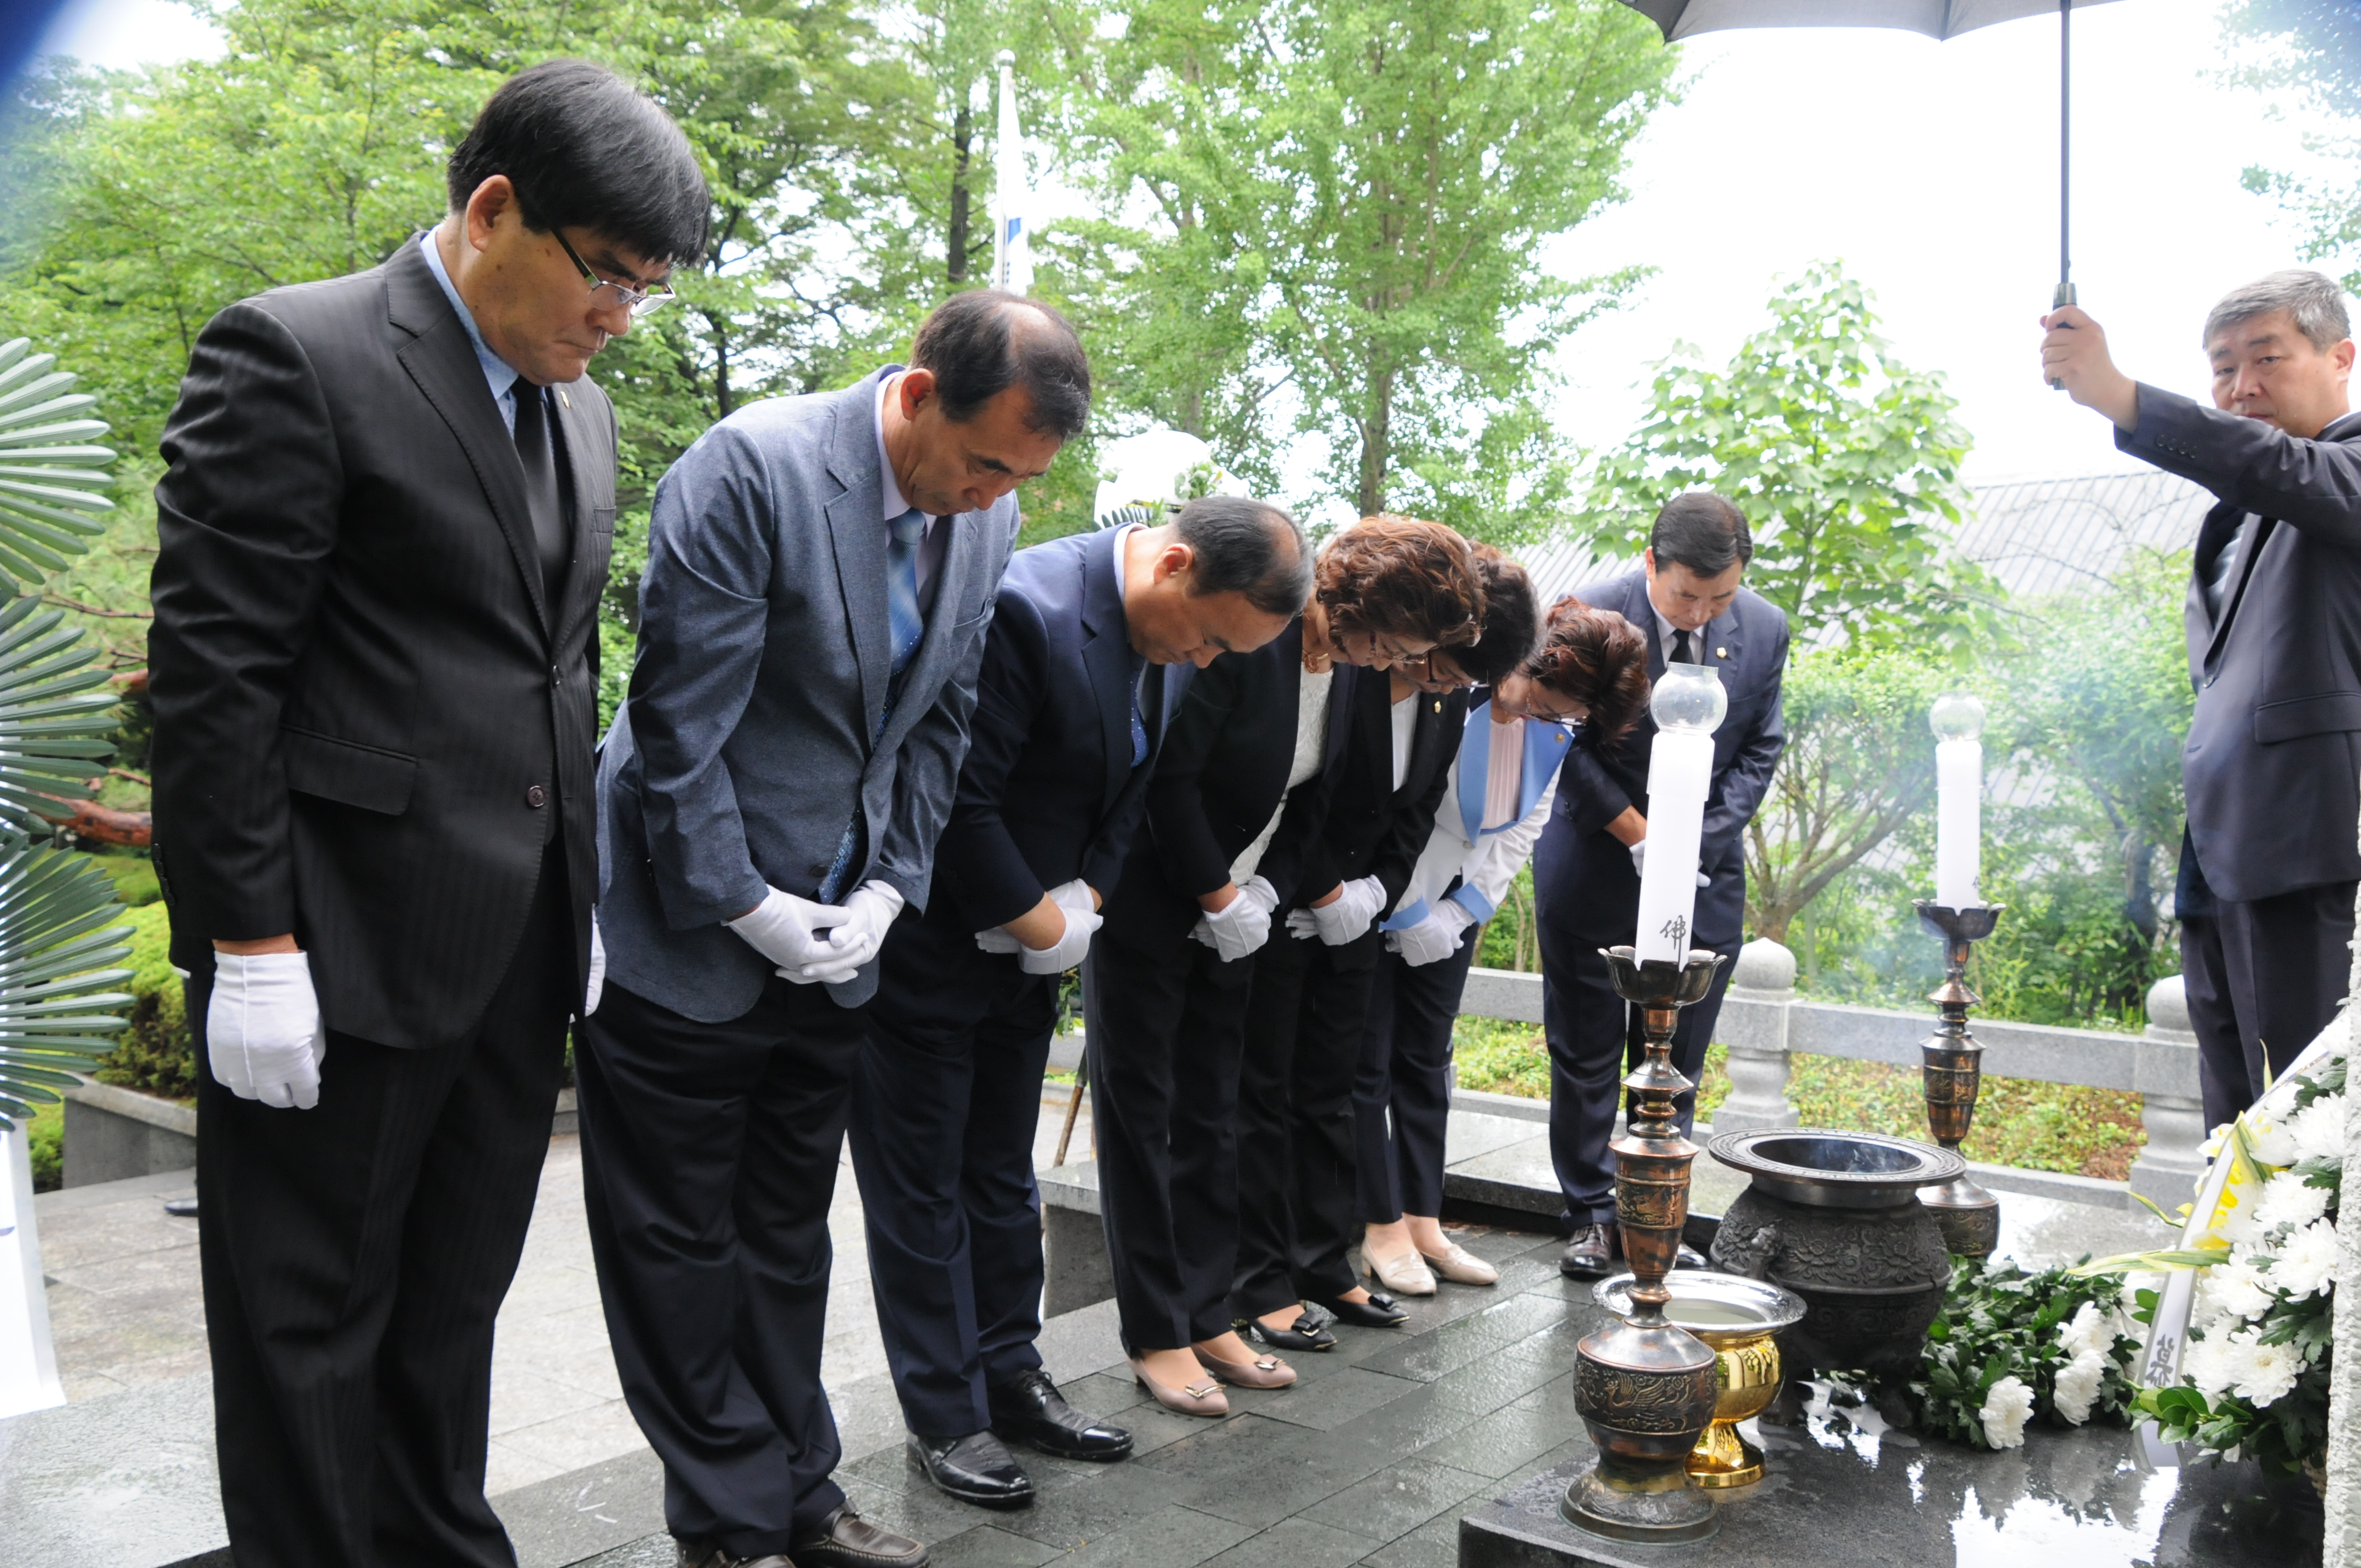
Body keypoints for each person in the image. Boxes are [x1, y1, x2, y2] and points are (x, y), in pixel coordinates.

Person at [146, 61, 705, 1568]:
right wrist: (250, 945)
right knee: (308, 1322)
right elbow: (218, 684)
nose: (618, 319)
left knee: (453, 1307)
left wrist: (578, 899)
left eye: (644, 293)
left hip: (517, 946)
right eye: (605, 277)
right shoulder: (299, 353)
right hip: (338, 942)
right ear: (494, 206)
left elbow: (559, 674)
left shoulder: (577, 415)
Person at [579, 290, 1089, 1568]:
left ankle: (802, 1495)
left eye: (1019, 477)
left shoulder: (990, 513)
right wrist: (747, 903)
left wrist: (886, 890)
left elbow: (940, 720)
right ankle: (732, 1521)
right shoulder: (751, 469)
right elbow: (677, 727)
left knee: (785, 1232)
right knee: (679, 1241)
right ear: (917, 392)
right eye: (981, 462)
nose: (990, 497)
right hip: (689, 921)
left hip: (841, 937)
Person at [851, 494, 1305, 1510]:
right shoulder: (1029, 607)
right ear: (1175, 565)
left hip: (1040, 937)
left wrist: (1089, 896)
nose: (1205, 663)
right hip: (939, 940)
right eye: (1211, 637)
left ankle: (1011, 1373)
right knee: (923, 1186)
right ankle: (943, 1408)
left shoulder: (1176, 642)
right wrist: (1038, 918)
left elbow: (1136, 788)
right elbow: (957, 795)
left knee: (1001, 1174)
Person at [1084, 516, 1484, 1415]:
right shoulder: (1252, 638)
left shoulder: (1343, 667)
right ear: (1346, 597)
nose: (1387, 664)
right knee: (1144, 1121)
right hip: (1157, 902)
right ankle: (1156, 1330)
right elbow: (1171, 776)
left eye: (1402, 653)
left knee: (1214, 1118)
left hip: (1245, 908)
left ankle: (1210, 1308)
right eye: (1384, 641)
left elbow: (1313, 796)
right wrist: (1218, 895)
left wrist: (1262, 892)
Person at [2042, 270, 2361, 1133]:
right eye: (2223, 368)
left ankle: (2303, 1273)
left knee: (2310, 1112)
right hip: (2223, 851)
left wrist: (2116, 394)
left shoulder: (2339, 470)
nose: (2242, 387)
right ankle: (2228, 1266)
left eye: (2268, 358)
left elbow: (2275, 465)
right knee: (2236, 1111)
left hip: (2312, 849)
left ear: (2341, 356)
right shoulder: (2242, 512)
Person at [1227, 541, 1522, 1348]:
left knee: (1333, 1094)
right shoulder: (1346, 667)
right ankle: (1260, 1274)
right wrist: (1321, 890)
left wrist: (1374, 894)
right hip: (1290, 906)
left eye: (1463, 679)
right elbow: (1304, 794)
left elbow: (1415, 810)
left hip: (1359, 918)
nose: (1449, 687)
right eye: (1442, 667)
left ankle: (1326, 1262)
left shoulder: (1442, 702)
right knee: (1267, 1098)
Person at [1356, 596, 1651, 1297]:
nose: (1549, 724)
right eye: (1546, 705)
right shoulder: (1450, 691)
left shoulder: (1554, 727)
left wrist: (1460, 914)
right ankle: (1379, 1226)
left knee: (1427, 1059)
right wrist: (1402, 906)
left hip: (1449, 909)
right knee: (1366, 1066)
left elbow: (1523, 825)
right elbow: (1403, 808)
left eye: (1570, 721)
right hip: (1378, 893)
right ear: (1529, 658)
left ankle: (1424, 1218)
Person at [1537, 494, 1788, 1279]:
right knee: (1585, 1048)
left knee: (1678, 1051)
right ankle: (1591, 1212)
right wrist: (1640, 833)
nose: (1706, 612)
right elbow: (1560, 737)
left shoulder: (1767, 627)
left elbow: (1761, 748)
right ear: (1651, 565)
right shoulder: (1590, 610)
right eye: (1687, 596)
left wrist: (1691, 842)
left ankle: (1656, 1209)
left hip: (1706, 870)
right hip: (1598, 853)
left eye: (1721, 597)